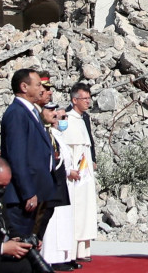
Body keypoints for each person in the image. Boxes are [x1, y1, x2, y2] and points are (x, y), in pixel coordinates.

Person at [1, 69, 52, 240]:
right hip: (21, 198)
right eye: (38, 85)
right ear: (24, 86)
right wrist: (28, 192)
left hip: (34, 193)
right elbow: (17, 157)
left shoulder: (31, 111)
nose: (42, 89)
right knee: (20, 245)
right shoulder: (16, 113)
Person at [62, 85, 96, 264]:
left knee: (86, 210)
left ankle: (83, 248)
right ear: (74, 100)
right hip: (75, 174)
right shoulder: (67, 119)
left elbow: (88, 142)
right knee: (76, 211)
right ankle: (72, 250)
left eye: (89, 98)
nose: (88, 102)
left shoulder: (83, 119)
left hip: (86, 174)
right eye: (84, 99)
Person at [40, 104, 74, 271]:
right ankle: (50, 258)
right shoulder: (49, 134)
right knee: (53, 225)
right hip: (54, 184)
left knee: (62, 224)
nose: (58, 117)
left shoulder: (58, 136)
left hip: (62, 184)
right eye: (56, 115)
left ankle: (62, 257)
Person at [0, 156, 35, 273]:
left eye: (5, 186)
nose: (2, 191)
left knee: (33, 260)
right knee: (22, 267)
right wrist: (3, 248)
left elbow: (7, 226)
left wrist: (25, 239)